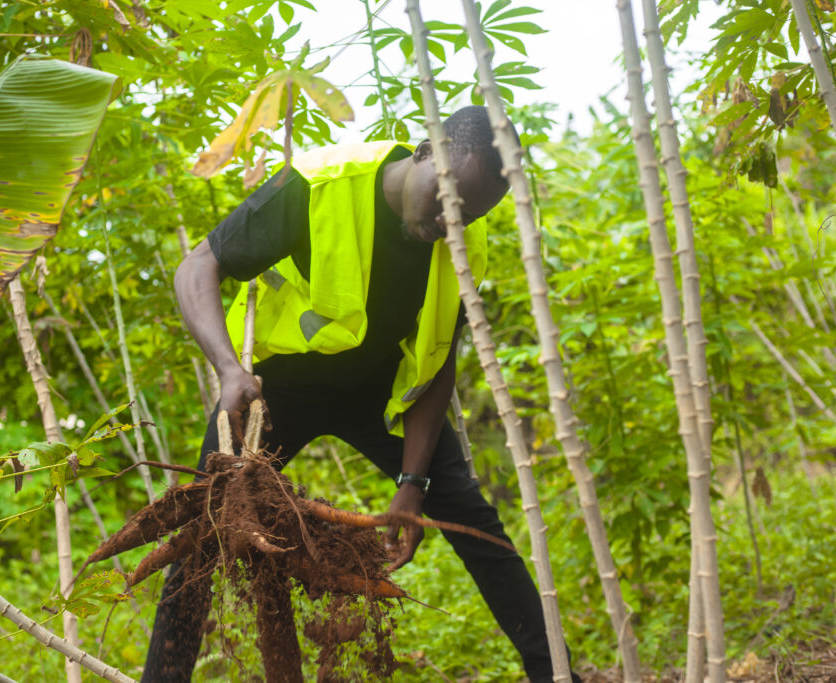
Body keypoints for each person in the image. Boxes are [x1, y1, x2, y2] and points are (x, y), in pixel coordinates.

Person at [145, 105, 581, 682]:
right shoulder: (321, 184)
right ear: (427, 151)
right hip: (279, 390)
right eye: (448, 202)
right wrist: (229, 369)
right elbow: (196, 268)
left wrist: (413, 483)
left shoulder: (456, 244)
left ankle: (556, 677)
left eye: (469, 216)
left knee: (476, 525)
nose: (451, 223)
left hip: (380, 396)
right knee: (205, 530)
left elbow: (436, 365)